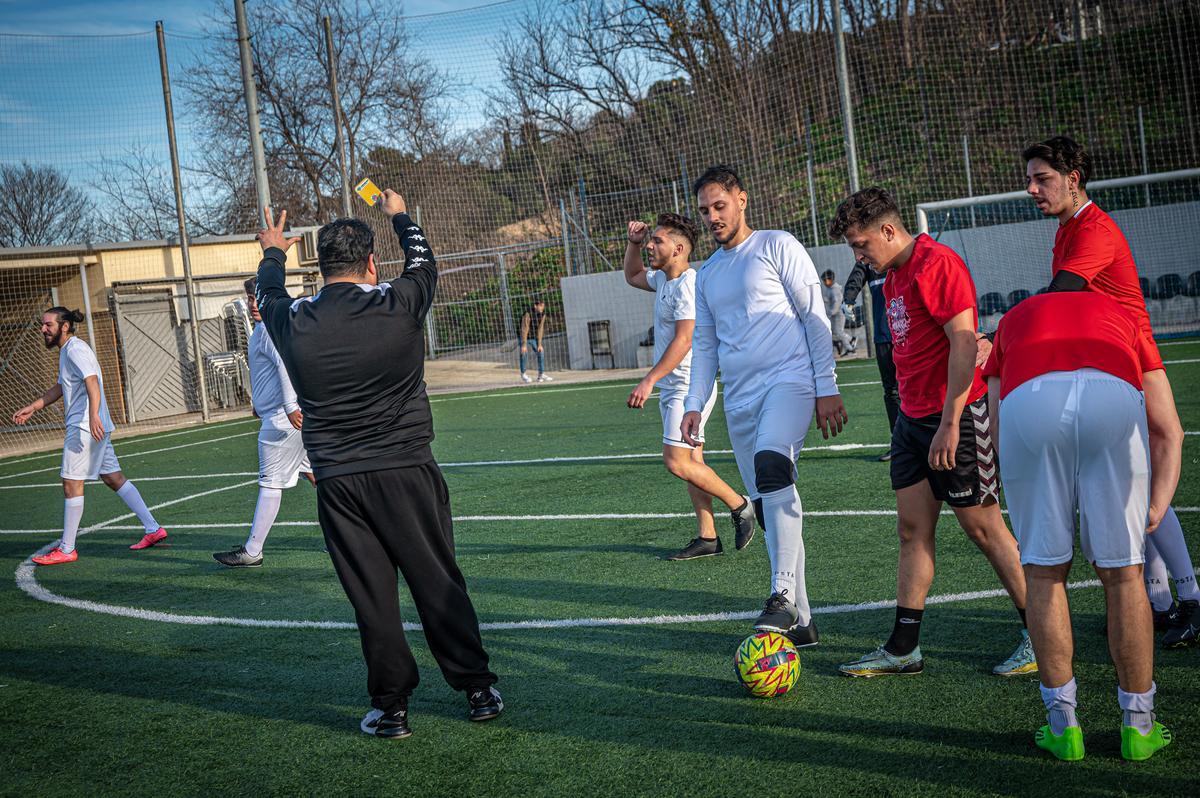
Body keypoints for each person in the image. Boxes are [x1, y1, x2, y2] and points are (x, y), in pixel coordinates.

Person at [253, 192, 500, 739]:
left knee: (373, 597)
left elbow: (266, 290)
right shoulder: (399, 301)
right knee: (437, 581)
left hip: (340, 483)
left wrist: (273, 251)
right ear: (371, 264)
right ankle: (477, 690)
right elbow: (424, 261)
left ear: (320, 268)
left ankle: (392, 710)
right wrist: (399, 215)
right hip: (407, 471)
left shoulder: (293, 320)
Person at [828, 187, 1034, 678]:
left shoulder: (935, 264)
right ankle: (904, 648)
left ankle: (1041, 632)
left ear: (888, 230)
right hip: (912, 422)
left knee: (984, 529)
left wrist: (949, 423)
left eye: (861, 245)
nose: (858, 257)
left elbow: (964, 346)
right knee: (912, 531)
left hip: (954, 419)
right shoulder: (893, 274)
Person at [982, 290, 1180, 762]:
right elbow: (1167, 429)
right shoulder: (1123, 314)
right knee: (1125, 573)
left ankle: (1063, 727)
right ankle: (1139, 727)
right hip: (1112, 397)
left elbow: (994, 422)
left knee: (1045, 571)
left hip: (1029, 400)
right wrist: (1157, 505)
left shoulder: (1013, 318)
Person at [1019, 135, 1199, 648]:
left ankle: (1189, 600)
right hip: (1111, 360)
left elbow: (1061, 298)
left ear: (1074, 179)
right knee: (1132, 484)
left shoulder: (1095, 228)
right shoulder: (1067, 229)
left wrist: (1001, 336)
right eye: (1029, 178)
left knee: (1141, 485)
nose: (1032, 188)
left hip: (1134, 359)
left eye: (1042, 178)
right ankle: (1162, 601)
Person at [681, 165, 847, 648]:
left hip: (789, 382)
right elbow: (706, 346)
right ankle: (803, 620)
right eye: (705, 211)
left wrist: (826, 385)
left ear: (741, 199)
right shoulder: (707, 273)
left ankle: (780, 595)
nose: (713, 217)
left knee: (774, 469)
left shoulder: (777, 245)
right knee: (767, 502)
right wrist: (695, 404)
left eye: (720, 206)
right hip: (740, 400)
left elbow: (813, 318)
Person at [623, 212, 756, 561]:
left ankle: (741, 505)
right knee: (692, 460)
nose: (651, 245)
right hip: (675, 386)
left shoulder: (687, 284)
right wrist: (633, 244)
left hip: (688, 387)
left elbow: (684, 341)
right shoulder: (664, 279)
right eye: (650, 241)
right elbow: (633, 275)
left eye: (657, 241)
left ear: (679, 248)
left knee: (676, 460)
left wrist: (649, 379)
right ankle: (708, 537)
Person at [11, 308, 168, 564]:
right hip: (93, 425)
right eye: (42, 325)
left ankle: (66, 549)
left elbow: (91, 381)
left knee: (71, 482)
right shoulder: (67, 351)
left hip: (85, 426)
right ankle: (153, 529)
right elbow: (63, 386)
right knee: (113, 477)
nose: (42, 329)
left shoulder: (75, 349)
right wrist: (34, 406)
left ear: (64, 326)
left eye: (48, 325)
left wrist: (93, 415)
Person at [212, 277, 315, 568]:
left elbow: (284, 365)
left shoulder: (269, 330)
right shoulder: (268, 328)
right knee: (317, 474)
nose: (252, 304)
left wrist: (290, 405)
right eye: (249, 298)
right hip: (283, 416)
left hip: (283, 421)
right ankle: (356, 529)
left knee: (270, 483)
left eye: (257, 297)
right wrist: (261, 404)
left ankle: (253, 550)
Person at [821, 269, 856, 356]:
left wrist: (831, 312)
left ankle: (850, 347)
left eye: (826, 280)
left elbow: (837, 302)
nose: (825, 282)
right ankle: (851, 340)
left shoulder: (834, 289)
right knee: (836, 332)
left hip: (839, 313)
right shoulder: (829, 289)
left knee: (839, 332)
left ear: (831, 279)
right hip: (834, 314)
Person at [518, 299, 553, 383]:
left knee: (541, 352)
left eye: (543, 306)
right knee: (524, 353)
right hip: (524, 336)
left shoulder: (543, 314)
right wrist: (524, 344)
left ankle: (541, 374)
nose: (542, 308)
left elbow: (540, 329)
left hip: (534, 337)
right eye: (540, 306)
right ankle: (523, 374)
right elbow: (524, 329)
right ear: (535, 306)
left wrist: (540, 344)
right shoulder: (528, 314)